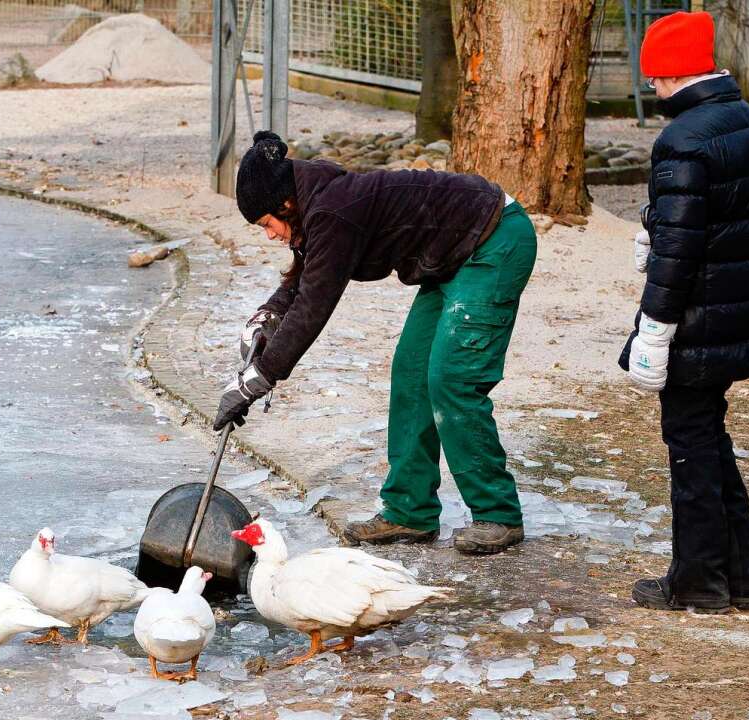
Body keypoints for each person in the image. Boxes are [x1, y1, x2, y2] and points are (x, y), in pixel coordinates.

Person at [214, 131, 537, 555]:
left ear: (284, 204)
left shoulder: (333, 210)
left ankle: (498, 515)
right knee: (411, 374)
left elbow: (315, 303)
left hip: (492, 241)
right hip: (452, 256)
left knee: (452, 380)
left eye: (266, 224)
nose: (270, 234)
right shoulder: (316, 205)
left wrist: (258, 379)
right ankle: (410, 512)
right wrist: (266, 318)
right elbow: (304, 275)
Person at [619, 11, 749, 611]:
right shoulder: (744, 122)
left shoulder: (682, 137)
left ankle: (698, 584)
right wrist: (655, 222)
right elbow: (739, 215)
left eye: (654, 77)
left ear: (672, 72)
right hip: (733, 306)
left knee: (690, 446)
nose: (652, 89)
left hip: (694, 316)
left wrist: (654, 332)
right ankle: (736, 579)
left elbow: (680, 251)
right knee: (710, 439)